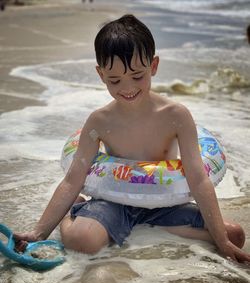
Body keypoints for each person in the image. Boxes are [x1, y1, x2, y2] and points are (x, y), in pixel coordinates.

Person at [14, 15, 250, 263]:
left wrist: (222, 241)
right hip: (113, 201)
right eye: (115, 80)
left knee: (234, 235)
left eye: (137, 76)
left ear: (154, 66)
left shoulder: (175, 115)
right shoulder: (100, 122)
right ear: (101, 74)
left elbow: (198, 178)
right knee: (83, 242)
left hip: (164, 203)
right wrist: (38, 232)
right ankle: (75, 212)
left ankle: (143, 227)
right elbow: (73, 178)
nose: (127, 88)